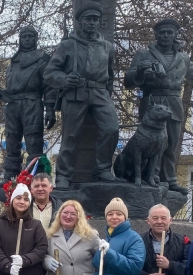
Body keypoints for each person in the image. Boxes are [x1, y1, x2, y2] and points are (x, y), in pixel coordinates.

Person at [123, 19, 193, 194]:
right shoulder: (143, 55)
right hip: (152, 101)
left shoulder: (183, 58)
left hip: (173, 103)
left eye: (169, 32)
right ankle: (150, 176)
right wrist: (139, 71)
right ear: (156, 35)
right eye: (162, 32)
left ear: (175, 35)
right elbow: (128, 81)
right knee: (150, 142)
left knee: (171, 144)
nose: (165, 36)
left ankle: (169, 179)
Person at [43, 2, 120, 188]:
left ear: (99, 22)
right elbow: (49, 73)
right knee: (70, 135)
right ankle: (63, 175)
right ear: (80, 22)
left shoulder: (107, 47)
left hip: (100, 92)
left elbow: (110, 75)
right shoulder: (67, 45)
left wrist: (106, 96)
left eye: (95, 19)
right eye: (88, 19)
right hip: (75, 92)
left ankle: (102, 169)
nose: (92, 22)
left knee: (111, 128)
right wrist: (65, 79)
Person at [0, 25, 57, 189]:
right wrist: (1, 94)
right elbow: (13, 88)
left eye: (30, 36)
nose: (26, 40)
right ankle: (10, 178)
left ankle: (36, 179)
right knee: (12, 141)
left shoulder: (43, 60)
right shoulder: (14, 62)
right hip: (13, 105)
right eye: (24, 37)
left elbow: (49, 87)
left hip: (32, 103)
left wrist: (50, 109)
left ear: (36, 39)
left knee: (34, 141)